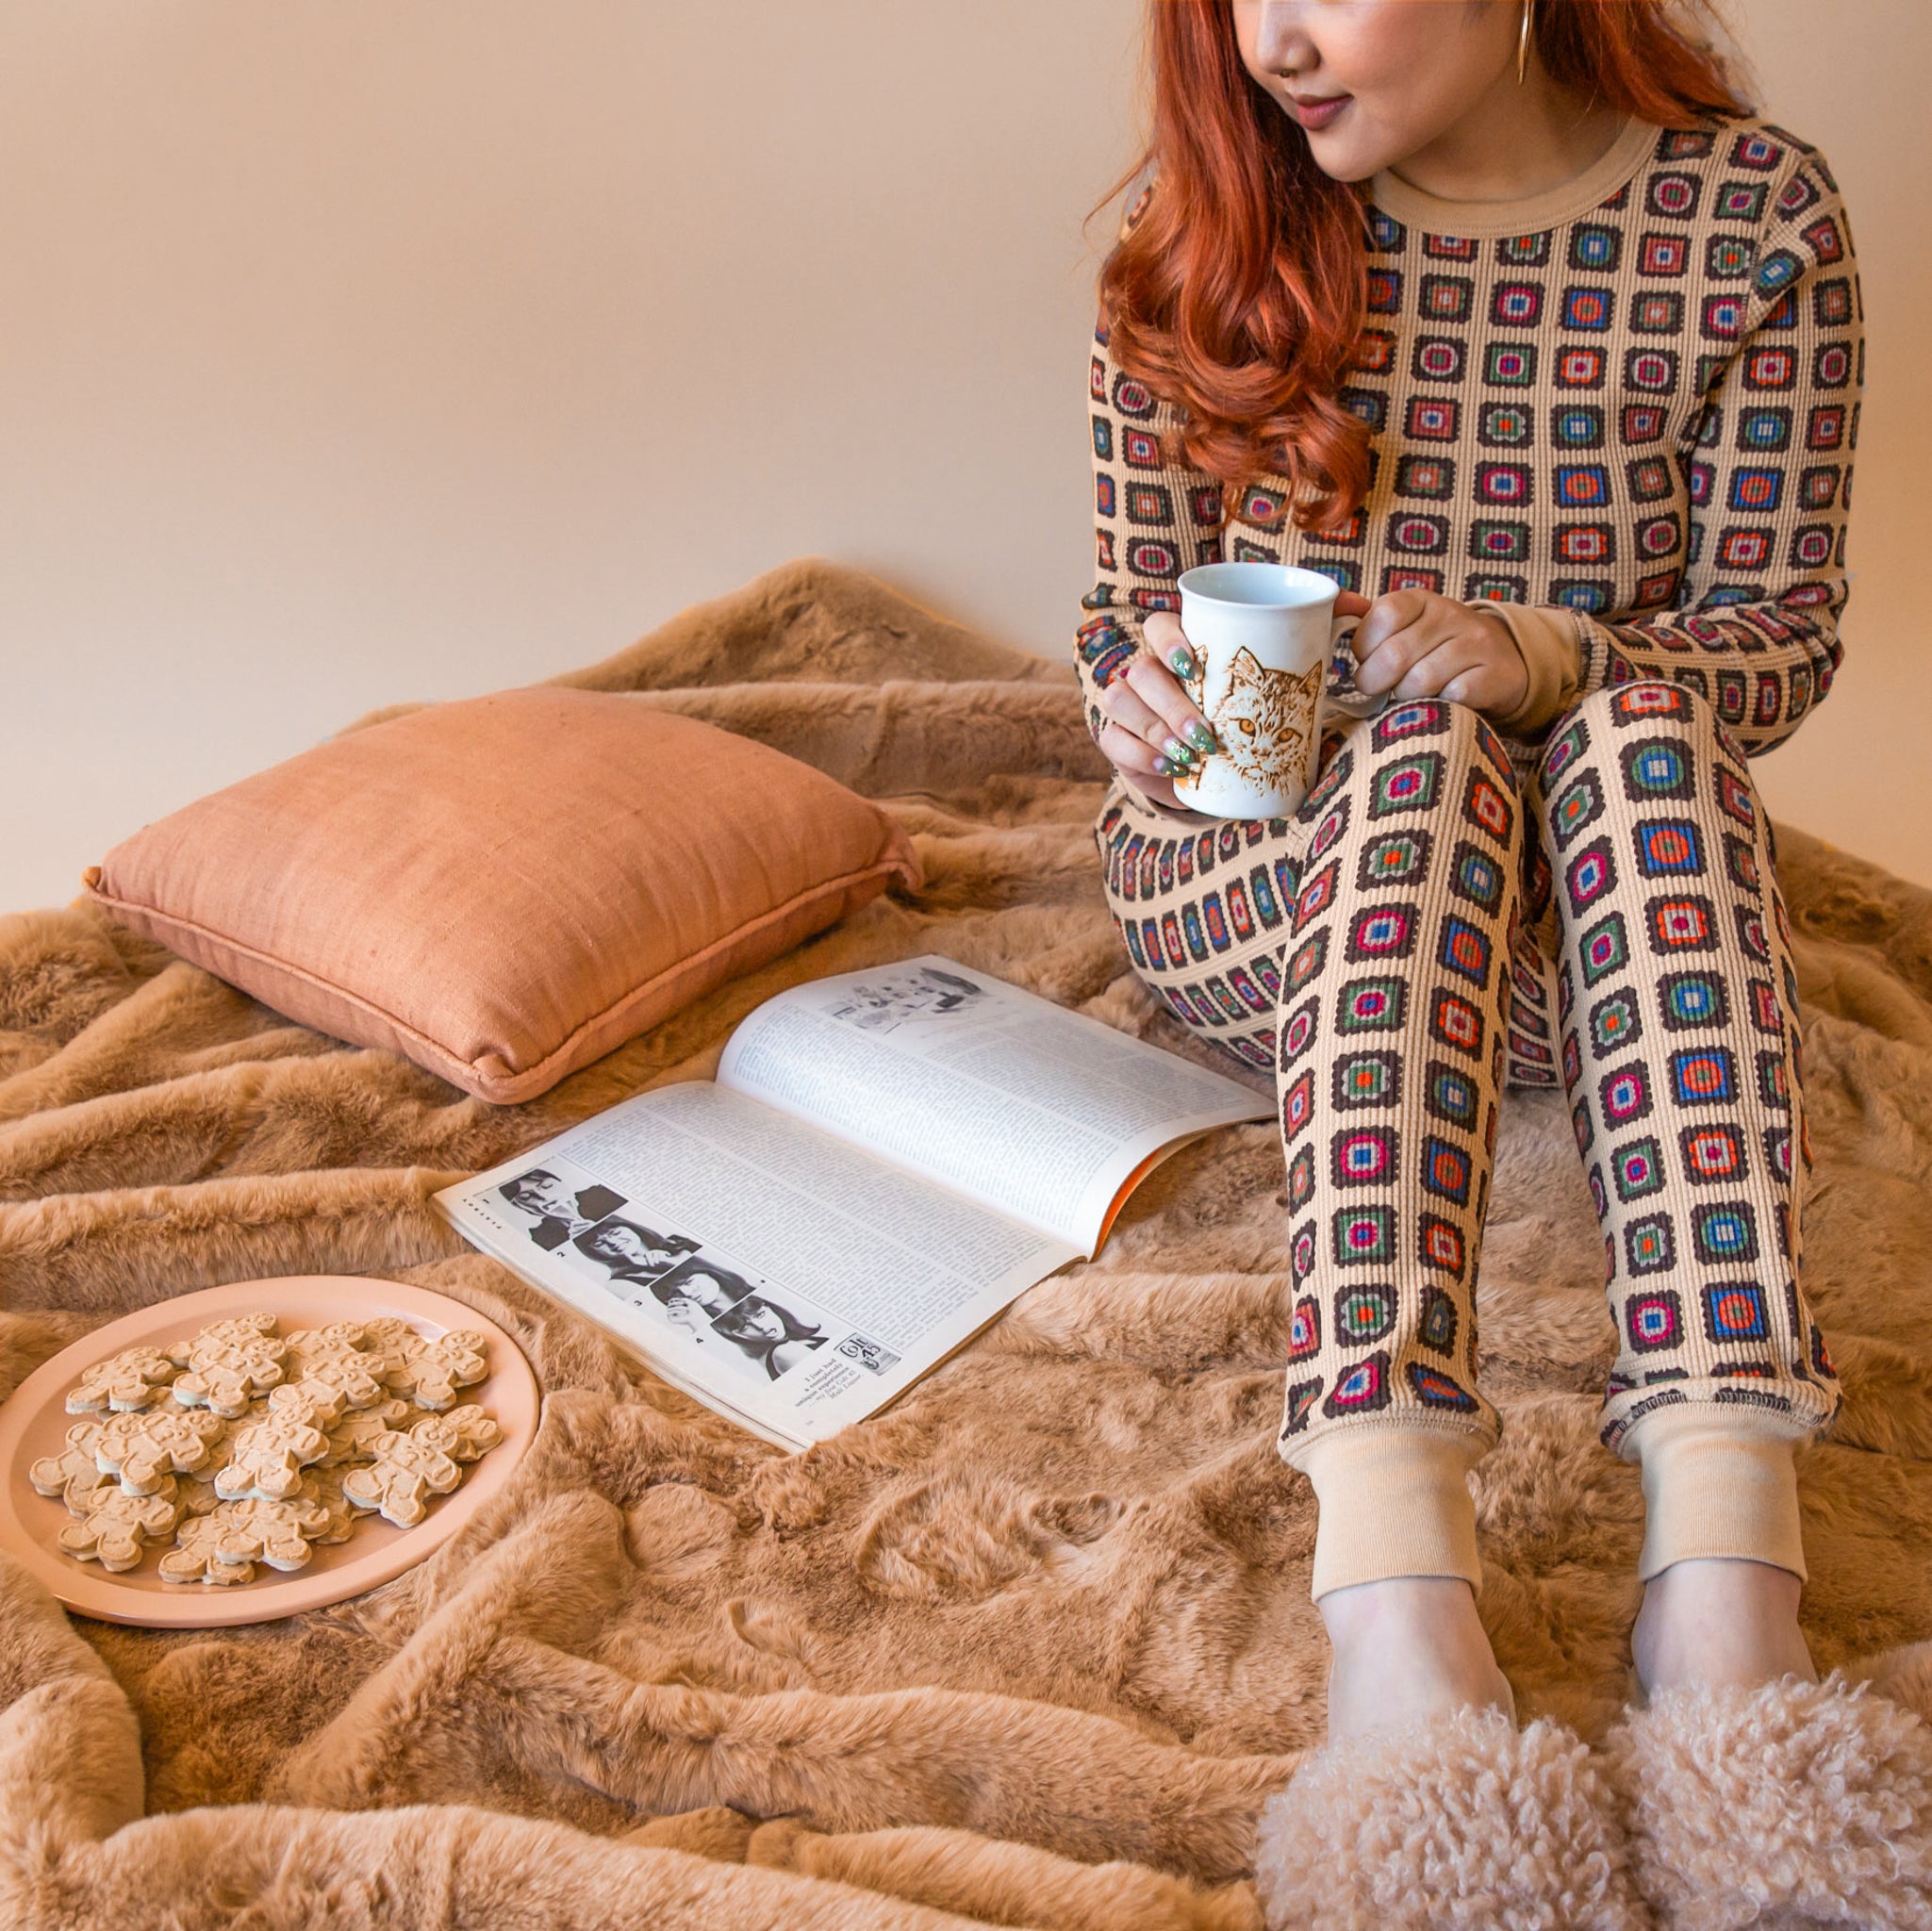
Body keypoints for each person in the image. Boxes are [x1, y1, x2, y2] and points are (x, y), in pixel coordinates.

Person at [1075, 3, 1885, 1919]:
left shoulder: (1751, 222)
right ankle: (1393, 1583)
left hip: (1599, 937)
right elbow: (1124, 608)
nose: (1266, 38)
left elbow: (1772, 635)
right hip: (1262, 889)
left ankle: (1721, 1571)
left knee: (1645, 739)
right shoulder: (1197, 226)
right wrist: (1136, 692)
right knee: (1423, 761)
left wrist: (1547, 651)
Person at [497, 1170, 626, 1251]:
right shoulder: (541, 1240)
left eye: (548, 1186)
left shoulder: (604, 1194)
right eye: (527, 1197)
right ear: (521, 1207)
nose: (544, 1196)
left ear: (562, 1183)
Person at [708, 1296, 828, 1379]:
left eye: (760, 1315)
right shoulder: (784, 1351)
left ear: (770, 1308)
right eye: (745, 1327)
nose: (761, 1326)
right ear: (738, 1335)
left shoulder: (795, 1341)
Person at [572, 1218, 698, 1281]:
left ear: (631, 1227)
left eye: (615, 1233)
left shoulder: (679, 1241)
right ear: (595, 1253)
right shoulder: (619, 1282)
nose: (612, 1242)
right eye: (599, 1243)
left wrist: (677, 1261)